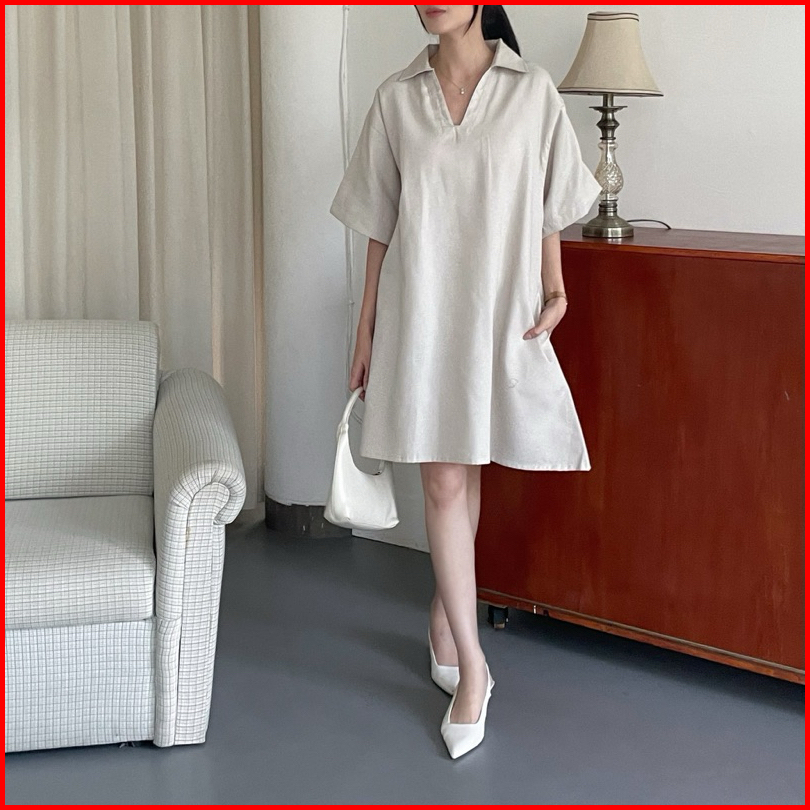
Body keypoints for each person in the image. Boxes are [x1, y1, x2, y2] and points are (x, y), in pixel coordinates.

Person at [329, 5, 601, 759]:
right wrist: (365, 327)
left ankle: (444, 614)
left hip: (495, 310)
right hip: (420, 311)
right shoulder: (396, 99)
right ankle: (474, 668)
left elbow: (548, 199)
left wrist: (556, 285)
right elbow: (380, 223)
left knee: (468, 466)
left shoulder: (531, 90)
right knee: (445, 479)